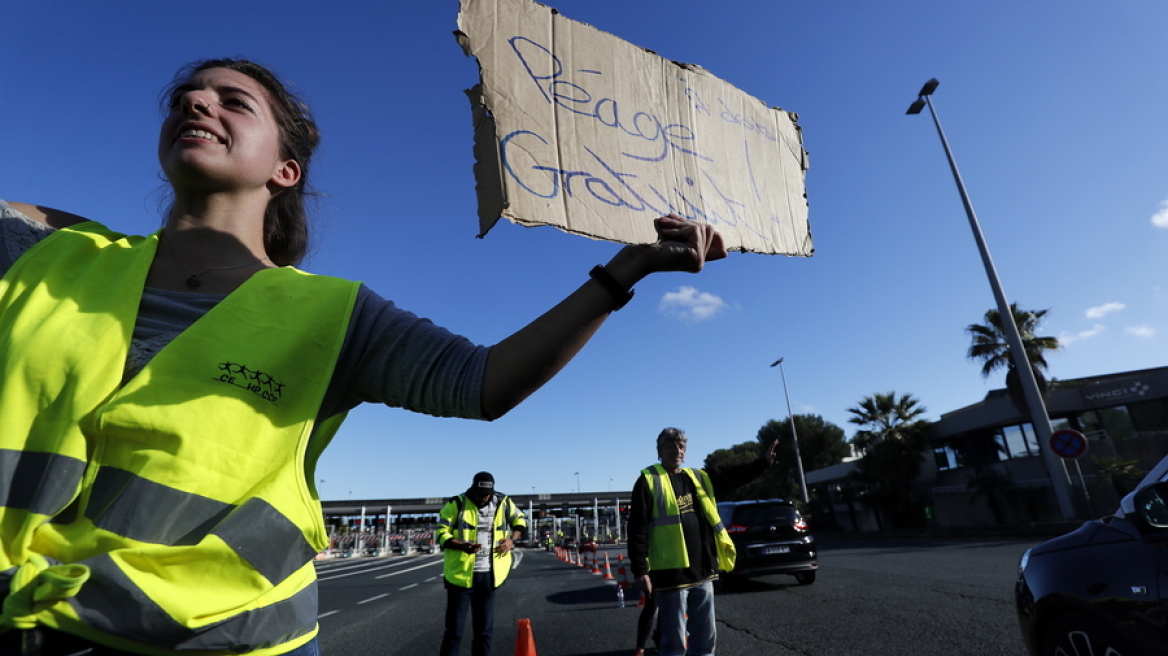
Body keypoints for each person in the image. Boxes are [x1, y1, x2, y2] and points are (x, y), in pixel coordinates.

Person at [0, 58, 727, 656]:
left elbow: (484, 381)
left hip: (229, 640)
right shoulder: (49, 251)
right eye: (187, 96)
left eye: (233, 101)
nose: (196, 102)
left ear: (285, 169)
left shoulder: (336, 314)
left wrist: (623, 272)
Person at [627, 428, 778, 656]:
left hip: (703, 571)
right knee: (673, 641)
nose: (677, 450)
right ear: (660, 451)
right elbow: (637, 527)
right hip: (671, 574)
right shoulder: (648, 481)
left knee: (706, 639)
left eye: (681, 446)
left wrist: (762, 463)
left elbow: (732, 474)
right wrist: (640, 569)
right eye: (671, 445)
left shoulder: (698, 477)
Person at [434, 472, 525, 656]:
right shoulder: (457, 503)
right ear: (473, 489)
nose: (484, 497)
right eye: (481, 493)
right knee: (454, 632)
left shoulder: (504, 502)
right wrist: (462, 546)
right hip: (460, 577)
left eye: (488, 493)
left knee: (484, 632)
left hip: (489, 576)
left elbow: (520, 520)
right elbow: (441, 533)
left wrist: (511, 540)